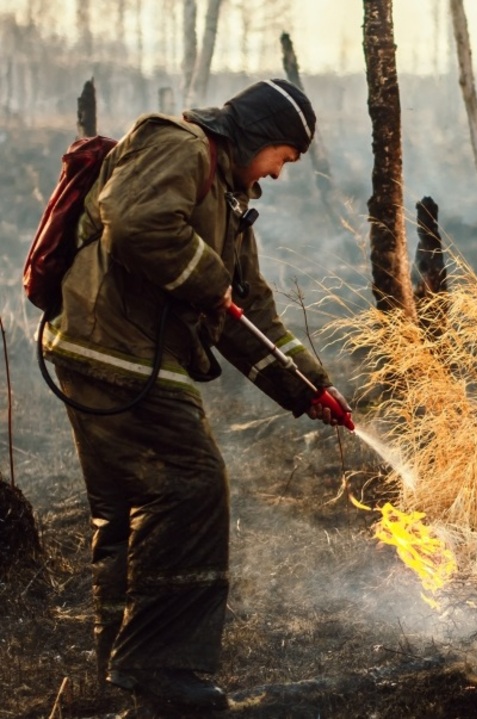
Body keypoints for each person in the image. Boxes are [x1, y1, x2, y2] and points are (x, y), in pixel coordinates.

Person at [40, 78, 352, 711]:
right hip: (113, 352)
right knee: (193, 483)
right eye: (284, 158)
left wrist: (307, 389)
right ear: (261, 138)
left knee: (128, 510)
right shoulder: (180, 146)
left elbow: (249, 306)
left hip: (113, 353)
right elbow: (134, 223)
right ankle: (164, 664)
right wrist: (210, 283)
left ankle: (125, 667)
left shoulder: (231, 197)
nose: (280, 174)